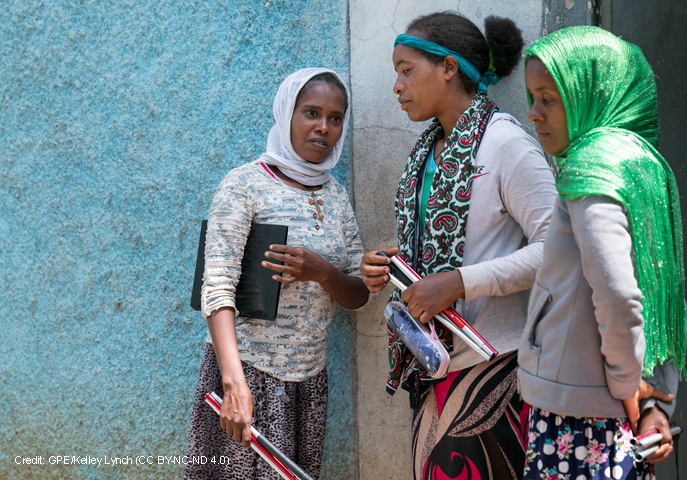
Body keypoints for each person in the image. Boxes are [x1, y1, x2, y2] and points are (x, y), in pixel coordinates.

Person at [360, 12, 557, 480]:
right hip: (433, 367)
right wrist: (394, 268)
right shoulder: (429, 151)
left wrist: (458, 283)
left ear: (449, 68)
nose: (397, 87)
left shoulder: (505, 144)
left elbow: (559, 248)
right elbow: (450, 244)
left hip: (497, 369)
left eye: (407, 70)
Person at [518, 26, 687, 480]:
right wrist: (652, 400)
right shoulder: (638, 163)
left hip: (580, 417)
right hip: (617, 410)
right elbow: (657, 295)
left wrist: (628, 389)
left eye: (548, 99)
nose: (533, 114)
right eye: (533, 98)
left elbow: (619, 295)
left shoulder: (591, 173)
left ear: (590, 94)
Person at [184, 68, 369, 480]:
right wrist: (234, 385)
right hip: (247, 377)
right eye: (311, 112)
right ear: (286, 114)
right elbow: (216, 285)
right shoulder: (245, 184)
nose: (323, 126)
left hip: (309, 383)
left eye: (335, 118)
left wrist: (321, 271)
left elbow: (358, 294)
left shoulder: (335, 196)